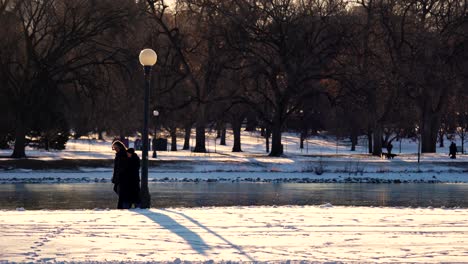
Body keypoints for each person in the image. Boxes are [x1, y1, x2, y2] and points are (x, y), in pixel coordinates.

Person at [111, 140, 128, 208]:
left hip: (122, 177)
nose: (115, 149)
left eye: (115, 148)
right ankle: (123, 204)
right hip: (118, 176)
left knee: (120, 191)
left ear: (120, 147)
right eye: (114, 148)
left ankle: (122, 206)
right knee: (116, 189)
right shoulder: (119, 154)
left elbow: (122, 166)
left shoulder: (123, 154)